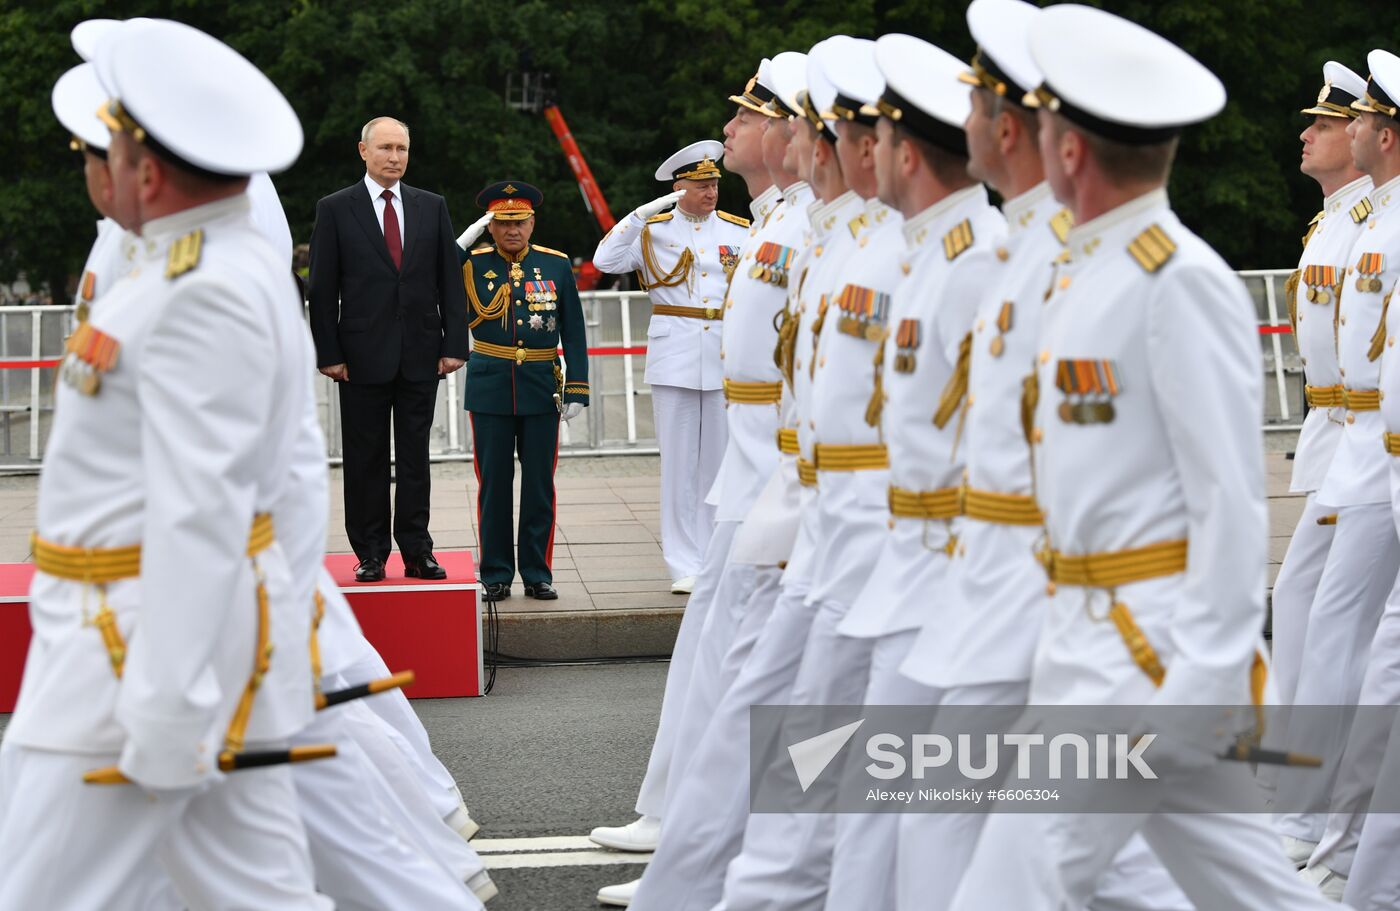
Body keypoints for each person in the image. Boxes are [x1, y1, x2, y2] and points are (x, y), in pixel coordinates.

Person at [947, 7, 1342, 909]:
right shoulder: (1088, 270)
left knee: (1006, 889)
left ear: (1072, 152)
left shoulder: (1178, 279)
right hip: (1092, 643)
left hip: (1144, 659)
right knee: (1245, 891)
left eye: (1042, 125)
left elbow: (1232, 502)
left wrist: (1201, 680)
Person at [0, 18, 329, 909]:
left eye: (107, 146)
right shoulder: (201, 266)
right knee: (262, 894)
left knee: (37, 890)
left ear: (145, 169)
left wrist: (169, 706)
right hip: (158, 637)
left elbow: (203, 510)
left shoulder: (203, 287)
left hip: (126, 651)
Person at [893, 7, 1186, 910]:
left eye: (975, 103)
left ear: (1016, 128)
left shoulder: (1084, 259)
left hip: (1063, 593)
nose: (963, 120)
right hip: (1024, 583)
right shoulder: (1027, 250)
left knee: (961, 815)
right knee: (1115, 850)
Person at [598, 52, 809, 909]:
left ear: (787, 129)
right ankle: (673, 812)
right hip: (752, 472)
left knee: (747, 671)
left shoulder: (800, 226)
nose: (725, 133)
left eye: (742, 118)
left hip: (780, 482)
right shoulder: (771, 219)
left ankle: (713, 850)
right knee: (706, 657)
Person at [1259, 58, 1371, 846]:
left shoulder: (1370, 220)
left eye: (1326, 123)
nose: (1308, 134)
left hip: (1364, 435)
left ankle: (1309, 788)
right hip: (1335, 431)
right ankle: (1292, 772)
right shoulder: (1334, 220)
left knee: (1322, 611)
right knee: (1305, 606)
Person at [1301, 48, 1400, 905]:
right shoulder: (1369, 221)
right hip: (1362, 444)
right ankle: (1327, 828)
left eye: (1361, 117)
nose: (1344, 128)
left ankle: (1331, 836)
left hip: (1374, 447)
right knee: (1331, 624)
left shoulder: (1386, 222)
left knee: (1352, 638)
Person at [308, 115, 468, 584]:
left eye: (401, 149)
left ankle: (417, 550)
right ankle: (371, 552)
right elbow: (321, 287)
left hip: (421, 352)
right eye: (385, 149)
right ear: (364, 151)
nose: (394, 157)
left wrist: (454, 343)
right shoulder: (336, 208)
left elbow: (448, 282)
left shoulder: (430, 206)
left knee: (415, 455)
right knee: (365, 458)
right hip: (358, 357)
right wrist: (328, 353)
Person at [593, 138, 756, 593]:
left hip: (724, 351)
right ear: (678, 187)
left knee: (720, 464)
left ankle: (715, 556)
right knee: (679, 466)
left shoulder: (738, 230)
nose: (710, 192)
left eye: (714, 183)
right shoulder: (653, 230)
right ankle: (683, 562)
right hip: (675, 353)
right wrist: (642, 214)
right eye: (700, 184)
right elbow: (604, 259)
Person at [459, 181, 588, 602]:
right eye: (502, 223)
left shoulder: (555, 265)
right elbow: (432, 269)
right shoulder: (471, 263)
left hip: (539, 386)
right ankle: (495, 572)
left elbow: (574, 329)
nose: (512, 230)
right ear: (489, 227)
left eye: (520, 222)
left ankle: (537, 572)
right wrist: (466, 240)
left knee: (538, 484)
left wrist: (577, 389)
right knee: (493, 484)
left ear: (533, 223)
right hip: (491, 383)